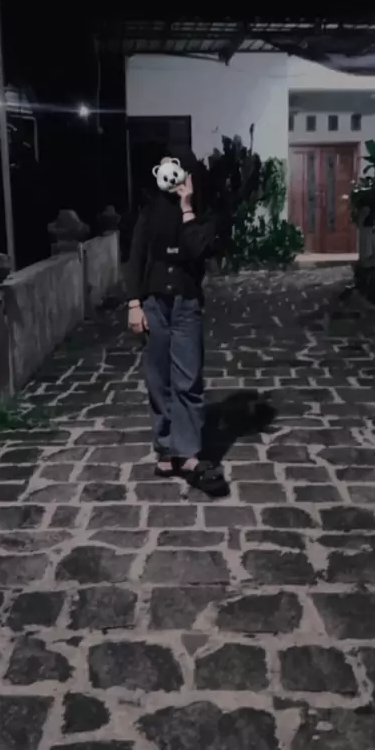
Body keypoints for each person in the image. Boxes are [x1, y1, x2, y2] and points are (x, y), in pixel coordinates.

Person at [125, 148, 228, 496]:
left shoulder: (203, 213)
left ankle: (188, 453)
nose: (174, 177)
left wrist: (187, 208)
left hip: (186, 305)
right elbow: (136, 257)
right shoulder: (149, 211)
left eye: (181, 171)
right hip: (154, 304)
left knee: (188, 379)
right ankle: (167, 448)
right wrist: (134, 303)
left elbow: (198, 250)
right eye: (168, 170)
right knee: (158, 380)